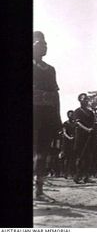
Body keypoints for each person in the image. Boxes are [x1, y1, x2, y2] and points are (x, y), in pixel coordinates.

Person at [33, 31, 62, 201]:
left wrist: (57, 117)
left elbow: (55, 94)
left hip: (46, 114)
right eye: (39, 43)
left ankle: (39, 190)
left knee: (42, 152)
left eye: (45, 44)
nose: (44, 46)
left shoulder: (50, 70)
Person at [73, 93, 95, 184]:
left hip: (89, 137)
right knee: (80, 156)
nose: (85, 100)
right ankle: (78, 176)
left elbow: (93, 123)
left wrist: (92, 130)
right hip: (80, 136)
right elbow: (78, 123)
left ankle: (87, 176)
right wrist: (87, 129)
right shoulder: (77, 111)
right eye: (83, 99)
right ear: (80, 100)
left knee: (88, 156)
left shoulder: (90, 112)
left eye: (86, 99)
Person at [61, 110, 76, 179]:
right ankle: (65, 173)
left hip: (73, 142)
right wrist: (69, 137)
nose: (71, 116)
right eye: (69, 114)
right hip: (66, 142)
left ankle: (71, 173)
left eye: (72, 114)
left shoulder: (75, 123)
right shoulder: (65, 123)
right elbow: (64, 132)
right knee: (66, 158)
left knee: (72, 158)